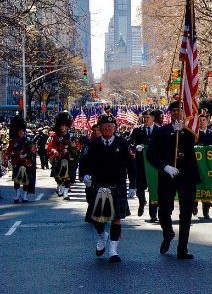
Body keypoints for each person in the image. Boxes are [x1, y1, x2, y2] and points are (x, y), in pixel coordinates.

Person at [147, 101, 200, 260]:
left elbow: (194, 145)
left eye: (180, 110)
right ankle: (168, 232)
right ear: (170, 113)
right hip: (167, 175)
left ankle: (182, 248)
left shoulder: (190, 131)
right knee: (164, 210)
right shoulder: (160, 132)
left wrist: (183, 132)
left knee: (186, 213)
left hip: (187, 176)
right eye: (174, 110)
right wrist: (164, 167)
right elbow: (151, 154)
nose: (177, 113)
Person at [80, 114, 136, 263]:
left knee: (116, 219)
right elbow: (83, 162)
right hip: (98, 185)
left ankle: (113, 249)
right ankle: (103, 236)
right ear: (100, 128)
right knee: (97, 219)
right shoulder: (92, 144)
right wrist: (84, 175)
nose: (107, 128)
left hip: (117, 185)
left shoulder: (122, 143)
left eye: (110, 126)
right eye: (104, 126)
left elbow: (131, 165)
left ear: (115, 128)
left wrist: (133, 185)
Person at [129, 110, 158, 221]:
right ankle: (142, 201)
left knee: (153, 188)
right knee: (140, 187)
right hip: (140, 163)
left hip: (154, 165)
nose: (145, 119)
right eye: (144, 117)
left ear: (153, 118)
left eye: (148, 117)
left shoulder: (159, 130)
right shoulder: (137, 130)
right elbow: (130, 143)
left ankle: (153, 213)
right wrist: (135, 147)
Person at [4, 115, 36, 203]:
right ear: (17, 131)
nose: (21, 132)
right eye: (20, 131)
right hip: (16, 162)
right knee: (16, 179)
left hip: (26, 162)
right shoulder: (13, 141)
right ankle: (17, 194)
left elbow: (32, 151)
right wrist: (6, 156)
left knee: (26, 179)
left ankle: (25, 195)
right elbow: (9, 151)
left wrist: (30, 151)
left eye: (22, 131)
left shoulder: (28, 140)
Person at [47, 112, 78, 200]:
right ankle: (60, 185)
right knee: (58, 176)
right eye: (61, 125)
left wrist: (74, 146)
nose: (62, 127)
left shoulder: (72, 136)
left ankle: (66, 193)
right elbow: (50, 147)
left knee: (68, 177)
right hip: (58, 158)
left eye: (64, 125)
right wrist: (54, 151)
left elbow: (77, 147)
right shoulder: (55, 136)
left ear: (67, 126)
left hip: (69, 159)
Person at [195, 111, 212, 219]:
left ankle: (206, 210)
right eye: (200, 120)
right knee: (196, 186)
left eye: (203, 120)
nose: (201, 122)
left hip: (209, 166)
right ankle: (194, 205)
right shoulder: (194, 134)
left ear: (207, 121)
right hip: (197, 165)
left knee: (207, 186)